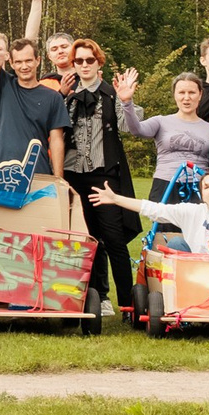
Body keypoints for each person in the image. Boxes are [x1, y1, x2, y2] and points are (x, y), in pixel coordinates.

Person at [60, 41, 138, 319]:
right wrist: (60, 95)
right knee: (84, 240)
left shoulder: (112, 95)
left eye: (89, 60)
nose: (84, 65)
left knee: (114, 239)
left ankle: (129, 304)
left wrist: (126, 100)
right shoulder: (66, 97)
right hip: (73, 177)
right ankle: (91, 300)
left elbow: (129, 127)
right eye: (78, 61)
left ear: (98, 62)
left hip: (104, 177)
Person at [0, 0, 65, 179]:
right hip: (1, 170)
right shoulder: (5, 86)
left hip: (38, 172)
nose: (24, 66)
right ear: (12, 63)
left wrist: (58, 179)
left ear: (38, 61)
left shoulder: (53, 97)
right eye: (19, 62)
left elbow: (56, 141)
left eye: (28, 61)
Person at [117, 70, 209, 210]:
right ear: (174, 95)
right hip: (165, 186)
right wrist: (127, 103)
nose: (187, 98)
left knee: (196, 231)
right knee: (164, 231)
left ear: (200, 95)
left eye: (192, 92)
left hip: (199, 188)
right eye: (181, 92)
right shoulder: (161, 121)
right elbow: (136, 129)